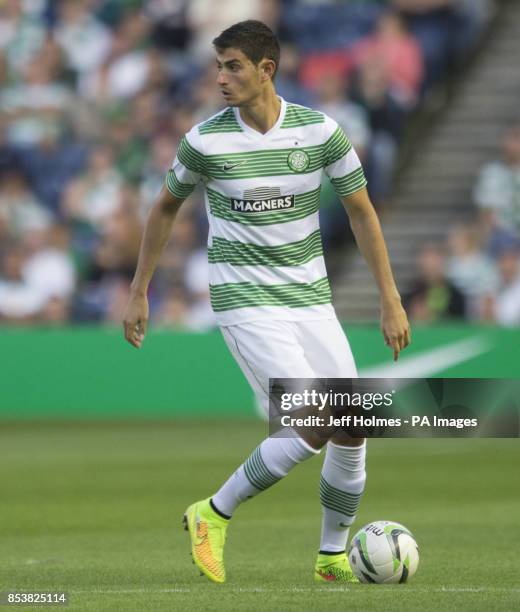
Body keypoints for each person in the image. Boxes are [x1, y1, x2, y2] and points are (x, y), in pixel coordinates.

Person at [123, 20, 410, 584]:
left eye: (232, 66)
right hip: (245, 301)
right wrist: (138, 290)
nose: (221, 77)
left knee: (353, 425)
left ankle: (331, 558)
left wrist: (390, 299)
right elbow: (163, 209)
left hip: (310, 299)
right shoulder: (204, 141)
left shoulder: (322, 132)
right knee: (316, 418)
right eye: (218, 66)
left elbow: (361, 211)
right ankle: (213, 511)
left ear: (265, 70)